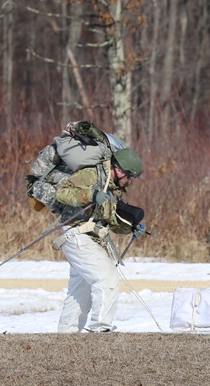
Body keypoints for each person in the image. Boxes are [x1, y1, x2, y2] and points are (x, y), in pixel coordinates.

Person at [53, 142, 145, 332]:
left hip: (92, 238)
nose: (129, 181)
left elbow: (109, 221)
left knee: (81, 292)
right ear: (119, 170)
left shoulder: (112, 188)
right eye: (129, 177)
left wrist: (131, 228)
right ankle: (100, 329)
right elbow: (62, 193)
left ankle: (65, 338)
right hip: (76, 234)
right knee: (107, 278)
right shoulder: (91, 175)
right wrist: (91, 195)